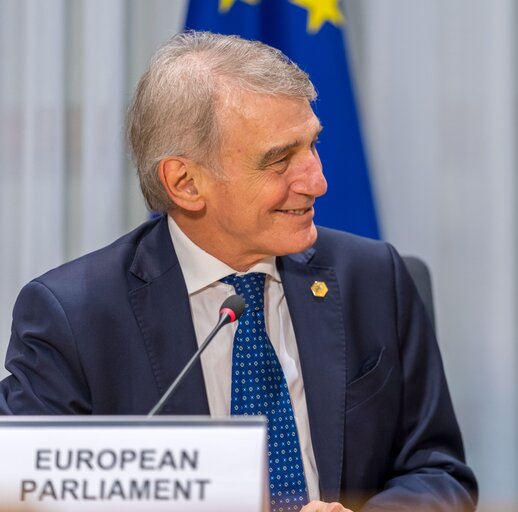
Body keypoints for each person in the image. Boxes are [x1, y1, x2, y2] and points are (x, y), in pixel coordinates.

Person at [0, 32, 477, 512]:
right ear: (185, 183)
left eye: (313, 146)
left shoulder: (373, 279)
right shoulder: (73, 318)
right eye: (279, 160)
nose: (317, 181)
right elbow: (30, 498)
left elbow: (438, 473)